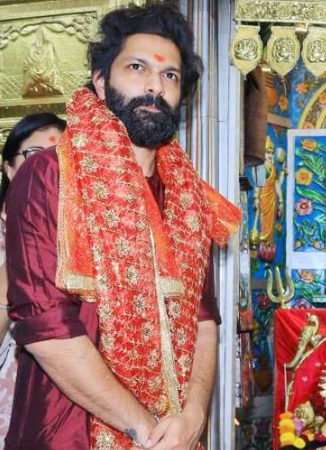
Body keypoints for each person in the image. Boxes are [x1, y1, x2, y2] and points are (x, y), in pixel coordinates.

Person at [4, 5, 240, 450]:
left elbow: (204, 318)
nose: (155, 85)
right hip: (69, 435)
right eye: (137, 68)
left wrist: (193, 417)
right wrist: (147, 432)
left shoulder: (187, 196)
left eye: (170, 75)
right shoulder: (50, 176)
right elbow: (44, 324)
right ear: (100, 81)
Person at [0, 112, 66, 448]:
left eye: (61, 156)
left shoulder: (83, 243)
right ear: (9, 169)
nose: (48, 167)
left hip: (59, 412)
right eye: (34, 154)